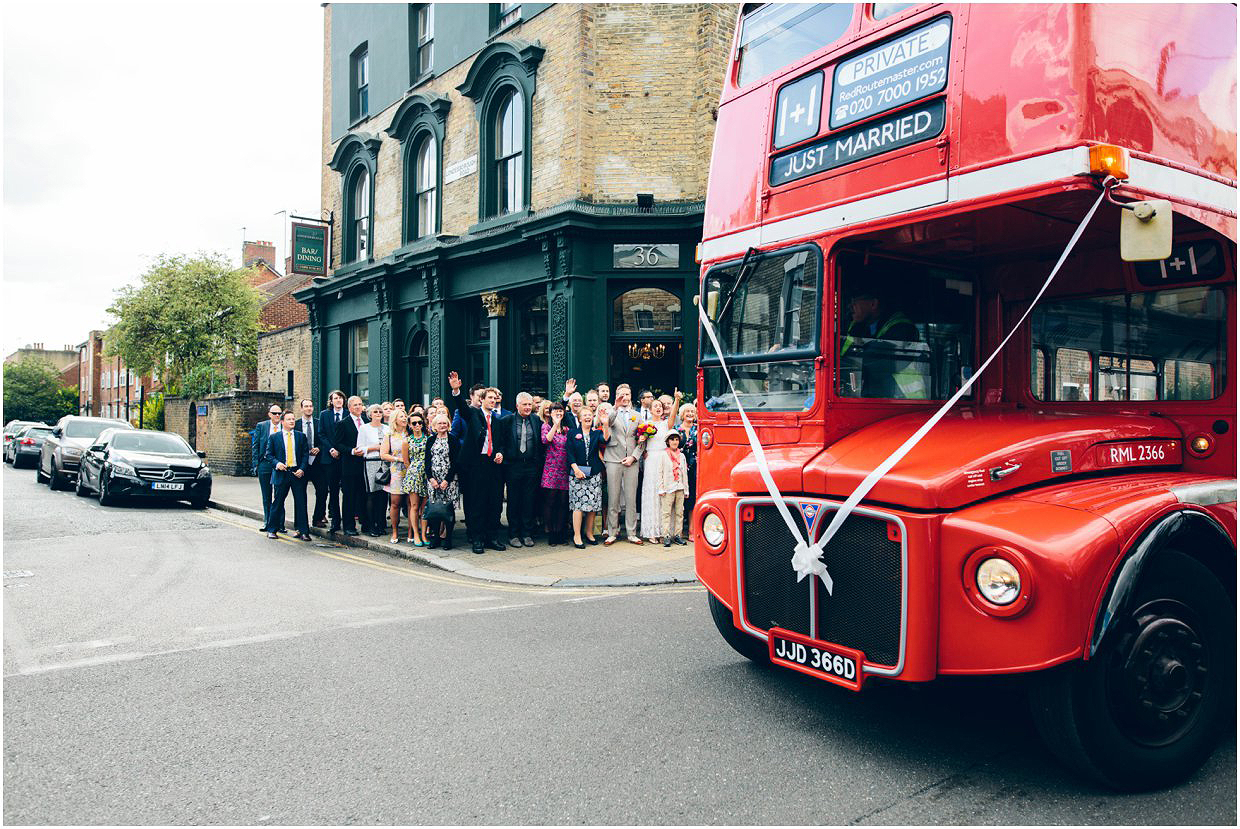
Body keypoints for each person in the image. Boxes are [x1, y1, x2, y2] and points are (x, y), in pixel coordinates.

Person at [446, 377, 509, 554]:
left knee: (494, 502)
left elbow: (501, 443)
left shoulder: (498, 421)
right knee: (477, 503)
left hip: (493, 465)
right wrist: (456, 391)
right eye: (490, 398)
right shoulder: (473, 414)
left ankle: (492, 537)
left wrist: (500, 453)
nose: (493, 400)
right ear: (481, 400)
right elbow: (462, 407)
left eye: (495, 398)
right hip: (476, 464)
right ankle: (477, 539)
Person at [603, 385, 645, 545]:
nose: (625, 397)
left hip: (631, 461)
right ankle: (612, 532)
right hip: (613, 459)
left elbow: (643, 439)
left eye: (627, 394)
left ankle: (632, 533)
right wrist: (615, 405)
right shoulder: (611, 412)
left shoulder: (637, 415)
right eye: (621, 395)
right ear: (616, 396)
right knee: (613, 498)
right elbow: (608, 423)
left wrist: (634, 457)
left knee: (630, 499)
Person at [639, 390, 681, 543]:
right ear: (650, 410)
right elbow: (639, 444)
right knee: (652, 494)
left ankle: (665, 531)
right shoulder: (645, 425)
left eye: (660, 406)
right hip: (651, 460)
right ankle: (651, 531)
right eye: (655, 406)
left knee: (665, 494)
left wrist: (676, 400)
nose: (658, 408)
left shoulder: (665, 424)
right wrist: (641, 441)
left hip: (664, 460)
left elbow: (673, 416)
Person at [264, 410, 311, 540]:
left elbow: (305, 455)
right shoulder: (274, 437)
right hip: (282, 472)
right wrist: (277, 463)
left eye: (293, 419)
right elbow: (268, 455)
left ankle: (303, 531)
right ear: (282, 422)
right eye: (289, 419)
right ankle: (272, 529)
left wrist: (302, 469)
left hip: (297, 473)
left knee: (301, 502)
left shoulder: (301, 436)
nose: (292, 421)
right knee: (278, 502)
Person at [503, 391, 542, 547]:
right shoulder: (507, 420)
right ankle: (513, 534)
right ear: (517, 405)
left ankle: (527, 534)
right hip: (514, 466)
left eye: (529, 404)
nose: (527, 407)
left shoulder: (536, 420)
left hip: (531, 466)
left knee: (528, 501)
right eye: (524, 404)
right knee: (514, 501)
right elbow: (502, 442)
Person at [567, 405, 605, 549]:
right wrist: (576, 469)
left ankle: (589, 533)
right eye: (585, 415)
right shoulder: (572, 433)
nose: (588, 417)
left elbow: (606, 439)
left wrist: (605, 424)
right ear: (579, 419)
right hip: (577, 473)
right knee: (578, 505)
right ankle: (577, 535)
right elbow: (569, 452)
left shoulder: (596, 433)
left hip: (594, 473)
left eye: (590, 415)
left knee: (593, 505)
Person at [424, 411, 460, 550]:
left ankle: (448, 538)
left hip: (449, 480)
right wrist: (431, 478)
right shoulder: (430, 440)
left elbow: (456, 462)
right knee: (434, 509)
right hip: (434, 479)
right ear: (434, 425)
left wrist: (447, 480)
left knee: (448, 510)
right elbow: (427, 461)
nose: (442, 425)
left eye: (445, 423)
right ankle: (436, 538)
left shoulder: (453, 440)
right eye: (439, 423)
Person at [336, 395, 370, 536]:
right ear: (349, 408)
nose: (358, 407)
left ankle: (366, 524)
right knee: (349, 497)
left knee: (364, 496)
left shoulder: (367, 421)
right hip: (350, 465)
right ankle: (349, 526)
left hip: (366, 465)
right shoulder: (343, 423)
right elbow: (338, 444)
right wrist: (351, 451)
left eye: (360, 404)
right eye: (355, 405)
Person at [316, 390, 347, 530]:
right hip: (329, 458)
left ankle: (347, 519)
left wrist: (341, 450)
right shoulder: (324, 414)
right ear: (331, 401)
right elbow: (321, 434)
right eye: (335, 398)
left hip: (345, 457)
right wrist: (331, 449)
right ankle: (335, 520)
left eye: (340, 398)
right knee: (333, 491)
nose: (338, 400)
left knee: (347, 490)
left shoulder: (348, 414)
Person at [540, 402, 571, 545]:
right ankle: (551, 533)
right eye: (555, 411)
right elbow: (546, 440)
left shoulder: (567, 429)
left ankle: (560, 532)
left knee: (563, 502)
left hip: (564, 469)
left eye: (560, 411)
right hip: (551, 470)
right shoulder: (546, 426)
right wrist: (555, 425)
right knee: (550, 502)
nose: (558, 413)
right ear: (550, 413)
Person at [381, 409, 413, 544]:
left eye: (405, 416)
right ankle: (395, 531)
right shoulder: (389, 435)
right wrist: (399, 459)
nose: (405, 418)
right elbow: (383, 454)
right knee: (395, 503)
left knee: (411, 503)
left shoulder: (411, 433)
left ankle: (411, 532)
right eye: (401, 416)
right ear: (395, 419)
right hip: (396, 471)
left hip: (411, 471)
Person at [250, 403, 284, 532]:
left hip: (280, 465)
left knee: (279, 495)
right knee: (266, 495)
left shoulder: (284, 426)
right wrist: (256, 464)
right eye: (274, 413)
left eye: (279, 413)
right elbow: (255, 445)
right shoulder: (262, 426)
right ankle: (267, 522)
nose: (277, 415)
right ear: (269, 414)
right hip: (264, 464)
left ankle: (280, 524)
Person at [654, 430, 689, 547]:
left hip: (680, 487)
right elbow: (660, 472)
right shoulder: (663, 455)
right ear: (668, 442)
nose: (675, 442)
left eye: (677, 439)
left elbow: (684, 473)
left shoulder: (682, 456)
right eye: (672, 439)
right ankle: (666, 536)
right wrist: (661, 488)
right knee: (666, 513)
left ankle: (678, 535)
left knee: (679, 513)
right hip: (668, 487)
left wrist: (686, 489)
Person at [360, 403, 388, 537]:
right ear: (370, 414)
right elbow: (360, 448)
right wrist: (375, 447)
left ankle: (381, 524)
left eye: (380, 412)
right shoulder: (364, 428)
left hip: (385, 463)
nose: (378, 414)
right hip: (371, 461)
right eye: (375, 412)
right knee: (372, 494)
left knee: (383, 495)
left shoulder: (387, 428)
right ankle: (371, 525)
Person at [402, 411, 430, 546]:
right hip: (413, 475)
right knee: (414, 506)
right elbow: (406, 461)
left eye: (419, 422)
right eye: (414, 423)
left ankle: (424, 534)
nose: (417, 425)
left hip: (427, 474)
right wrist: (414, 471)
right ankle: (416, 534)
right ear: (409, 425)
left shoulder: (428, 439)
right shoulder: (406, 441)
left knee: (425, 507)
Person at [296, 399, 324, 526]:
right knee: (301, 494)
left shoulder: (319, 423)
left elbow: (324, 440)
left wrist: (319, 448)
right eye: (306, 406)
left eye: (311, 406)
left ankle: (318, 518)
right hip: (301, 464)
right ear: (301, 408)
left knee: (322, 491)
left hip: (317, 463)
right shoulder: (296, 424)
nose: (309, 408)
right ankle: (301, 523)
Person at [677, 402, 698, 541]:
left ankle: (692, 530)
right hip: (678, 466)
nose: (690, 414)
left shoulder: (699, 429)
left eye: (692, 411)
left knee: (692, 499)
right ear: (682, 414)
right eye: (687, 411)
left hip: (695, 466)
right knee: (679, 498)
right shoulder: (676, 429)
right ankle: (678, 531)